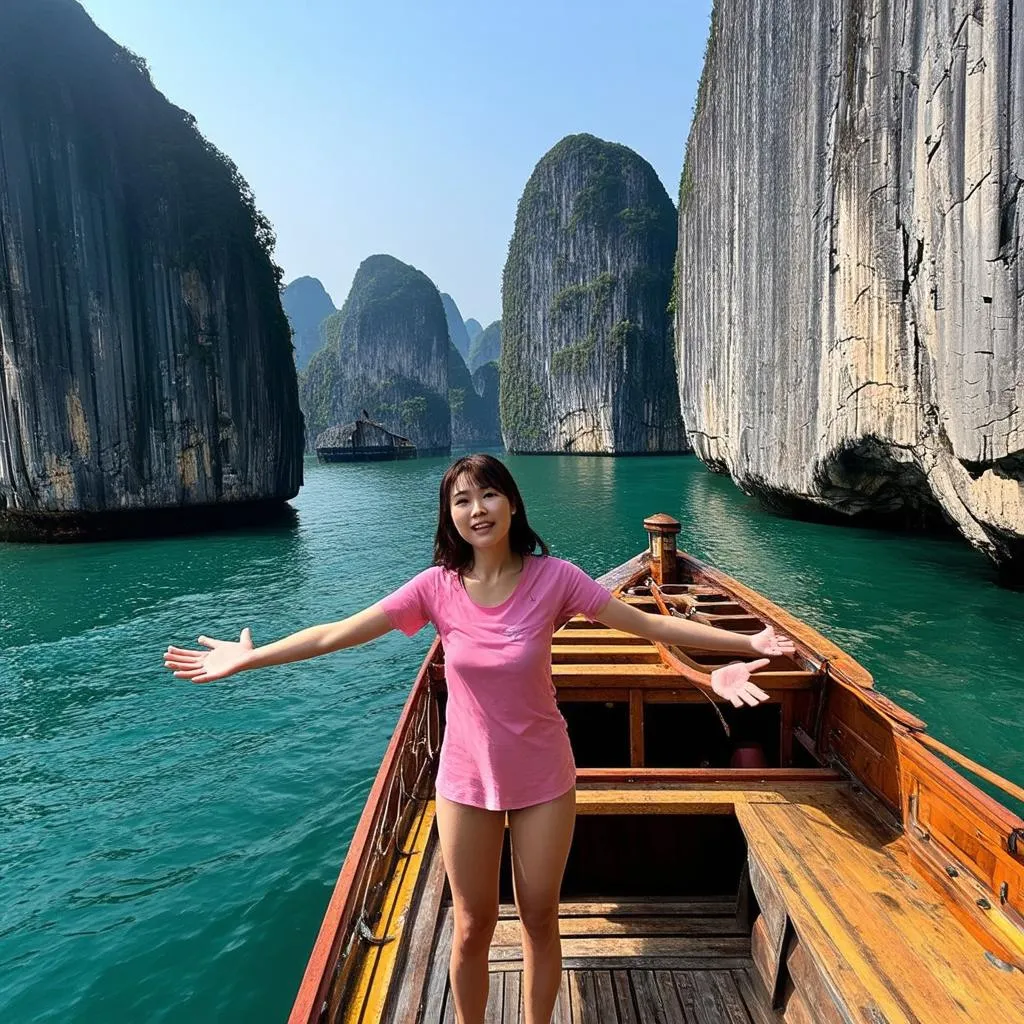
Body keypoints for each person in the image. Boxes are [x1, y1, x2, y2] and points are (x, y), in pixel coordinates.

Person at [163, 453, 794, 1024]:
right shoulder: (435, 587)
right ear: (450, 516)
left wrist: (744, 646)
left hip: (545, 777)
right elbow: (339, 633)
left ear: (512, 502)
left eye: (487, 495)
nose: (476, 509)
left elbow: (644, 623)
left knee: (540, 920)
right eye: (461, 500)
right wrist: (250, 658)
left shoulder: (556, 579)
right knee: (471, 927)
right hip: (464, 780)